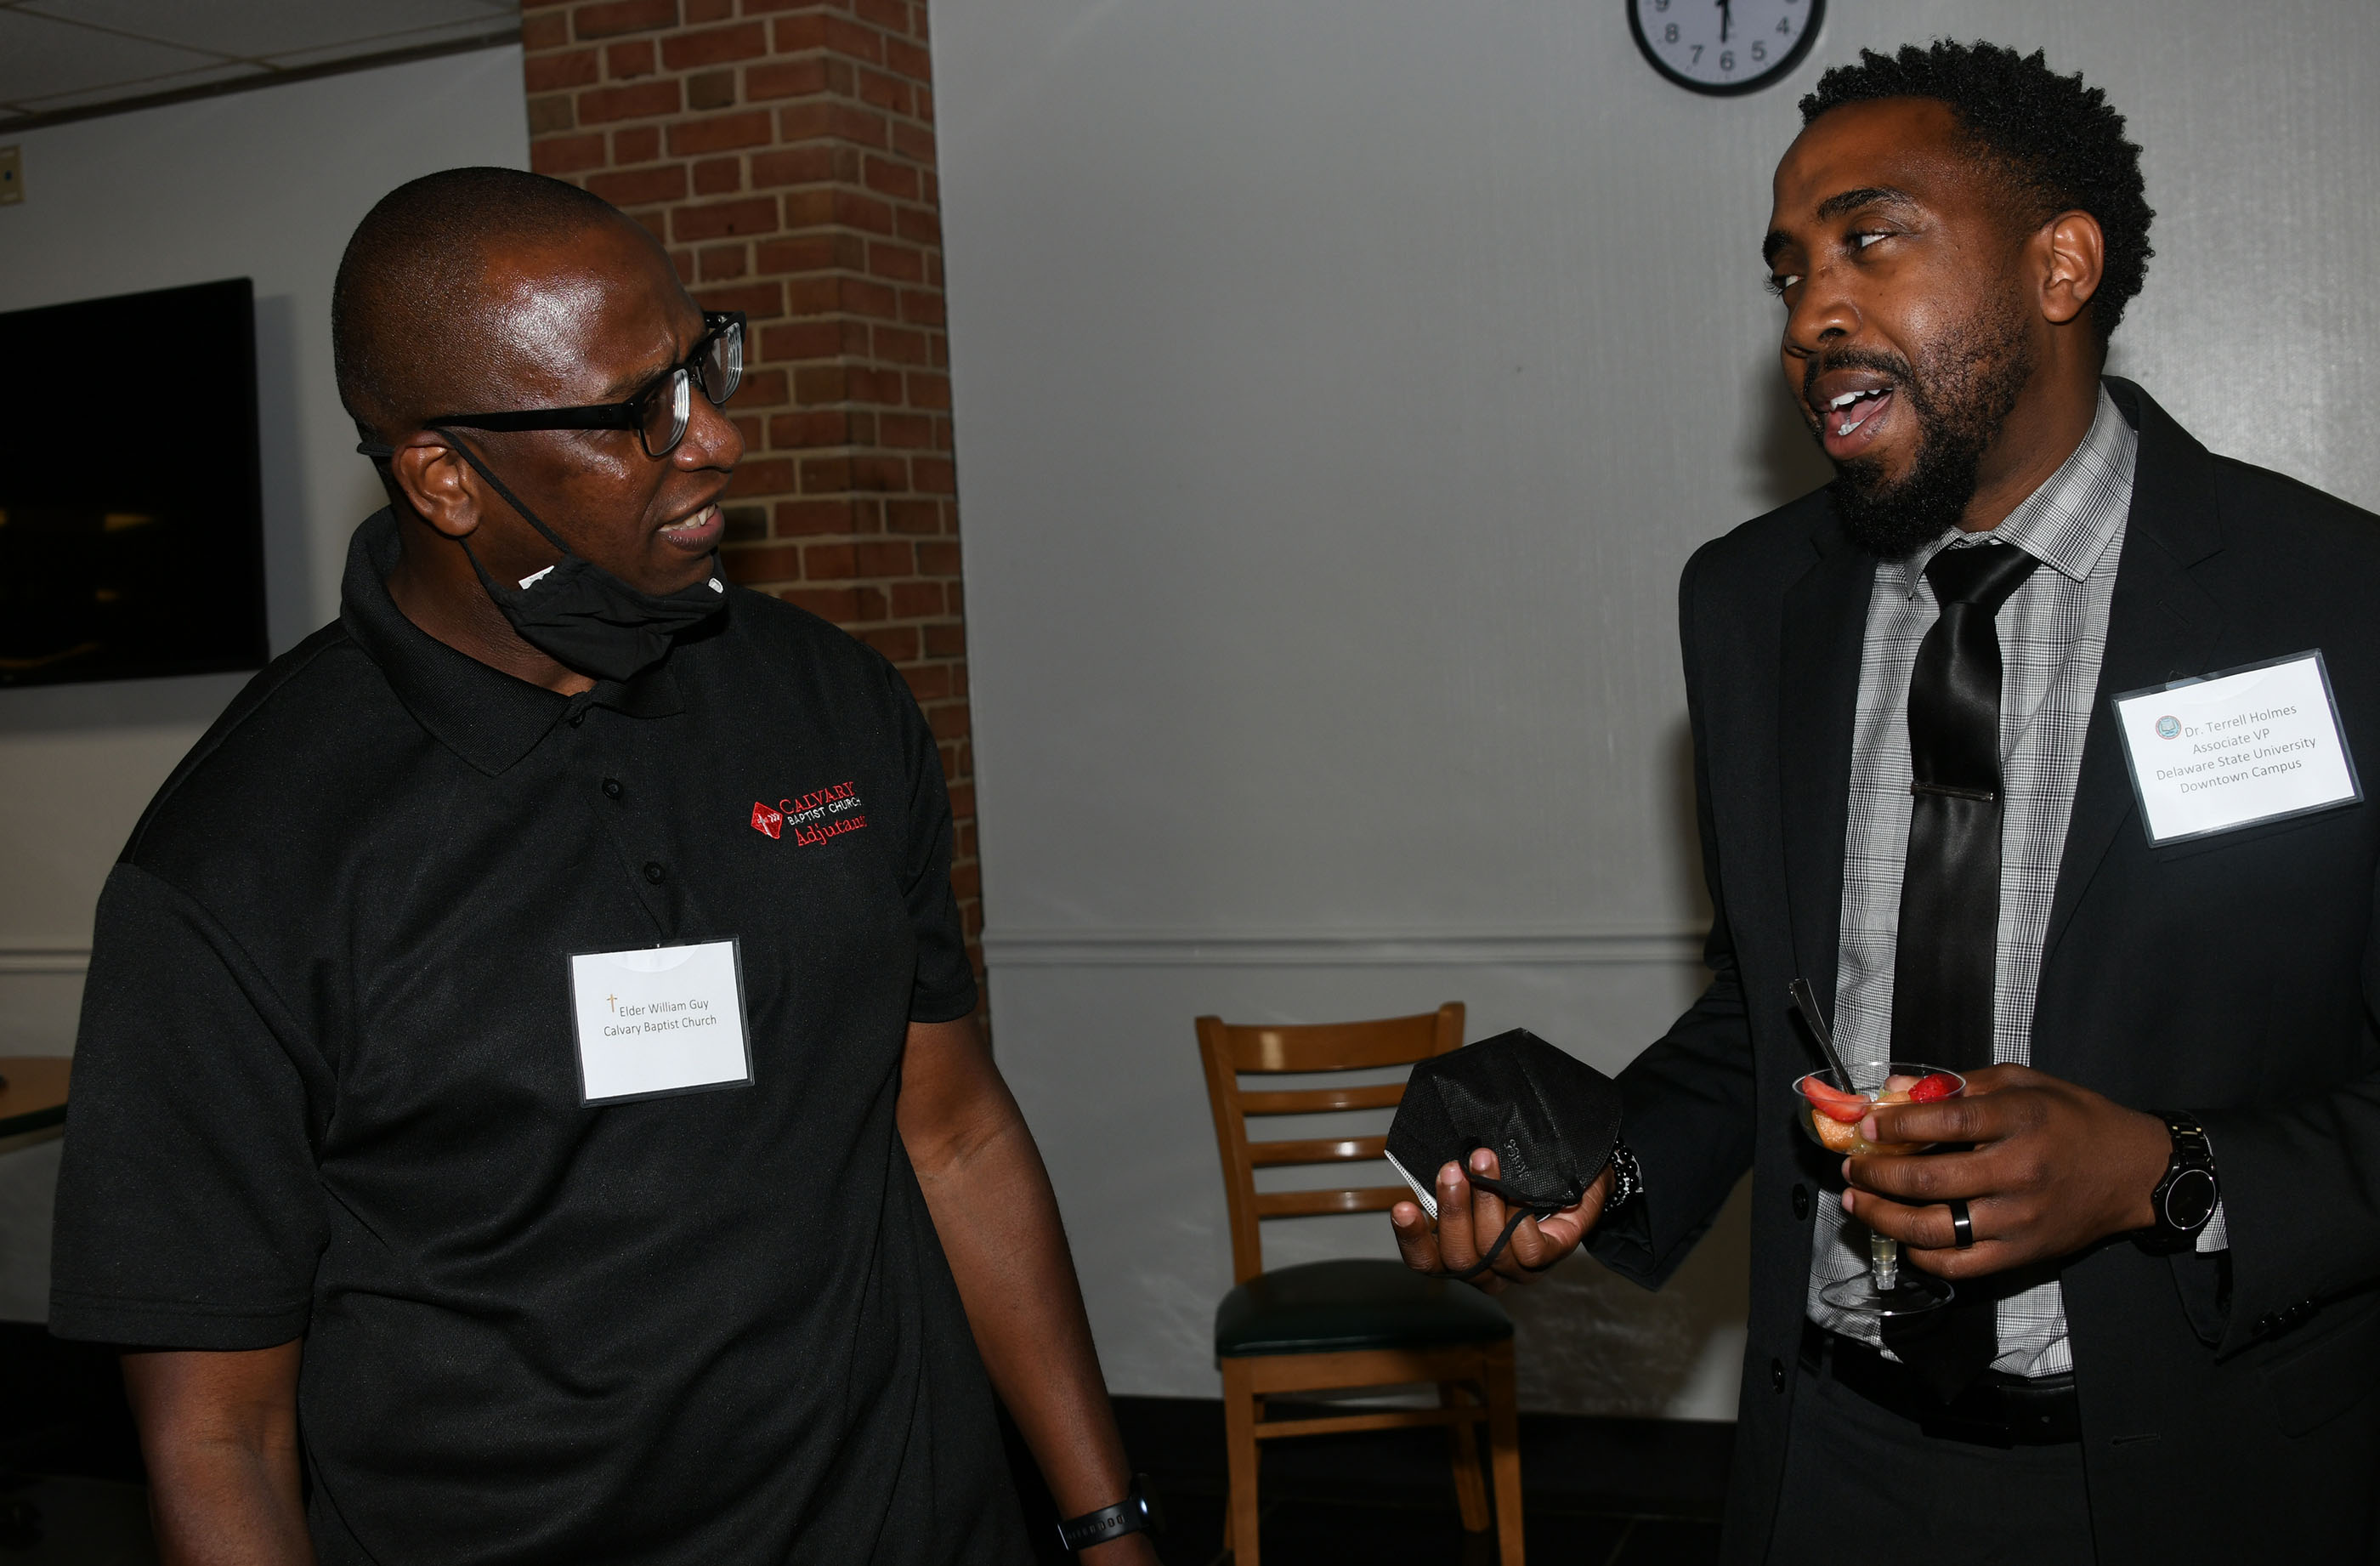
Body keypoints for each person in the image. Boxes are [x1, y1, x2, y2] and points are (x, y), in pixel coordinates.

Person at [47, 168, 1159, 1566]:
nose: (719, 439)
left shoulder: (832, 705)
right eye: (642, 412)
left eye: (701, 364)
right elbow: (218, 1436)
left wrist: (1107, 1523)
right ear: (446, 477)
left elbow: (953, 1133)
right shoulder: (234, 867)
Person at [1393, 41, 2380, 1565]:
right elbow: (1766, 1014)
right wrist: (1610, 1172)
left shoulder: (2331, 602)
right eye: (1788, 270)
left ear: (2061, 264)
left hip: (2201, 1477)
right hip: (1832, 1468)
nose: (1810, 318)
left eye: (1870, 241)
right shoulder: (1750, 606)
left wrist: (2159, 1173)